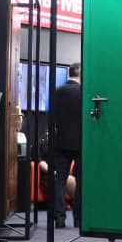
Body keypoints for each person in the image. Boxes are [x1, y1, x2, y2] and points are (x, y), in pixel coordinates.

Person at [50, 63, 81, 229]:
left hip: (61, 141)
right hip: (80, 142)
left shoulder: (58, 91)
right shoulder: (84, 91)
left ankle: (59, 219)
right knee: (81, 180)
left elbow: (52, 117)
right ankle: (79, 219)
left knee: (60, 180)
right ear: (81, 73)